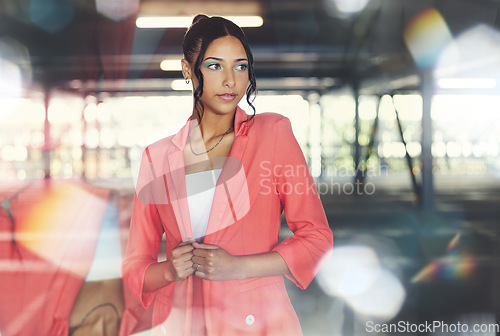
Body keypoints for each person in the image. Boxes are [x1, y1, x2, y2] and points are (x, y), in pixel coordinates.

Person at [122, 14, 333, 336]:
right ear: (187, 70)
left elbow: (317, 238)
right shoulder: (158, 157)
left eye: (241, 66)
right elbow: (136, 267)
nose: (231, 80)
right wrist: (168, 270)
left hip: (256, 320)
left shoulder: (273, 134)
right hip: (182, 321)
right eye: (215, 66)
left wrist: (238, 267)